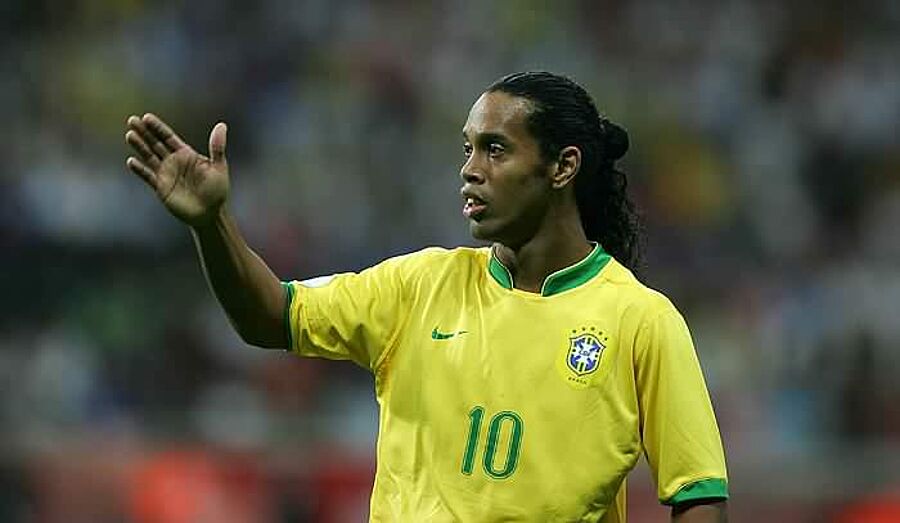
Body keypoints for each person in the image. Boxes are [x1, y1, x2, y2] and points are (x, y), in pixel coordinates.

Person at [124, 71, 728, 522]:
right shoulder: (419, 286)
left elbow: (698, 495)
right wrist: (213, 225)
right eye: (467, 148)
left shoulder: (639, 319)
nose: (470, 168)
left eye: (495, 148)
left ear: (562, 167)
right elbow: (270, 317)